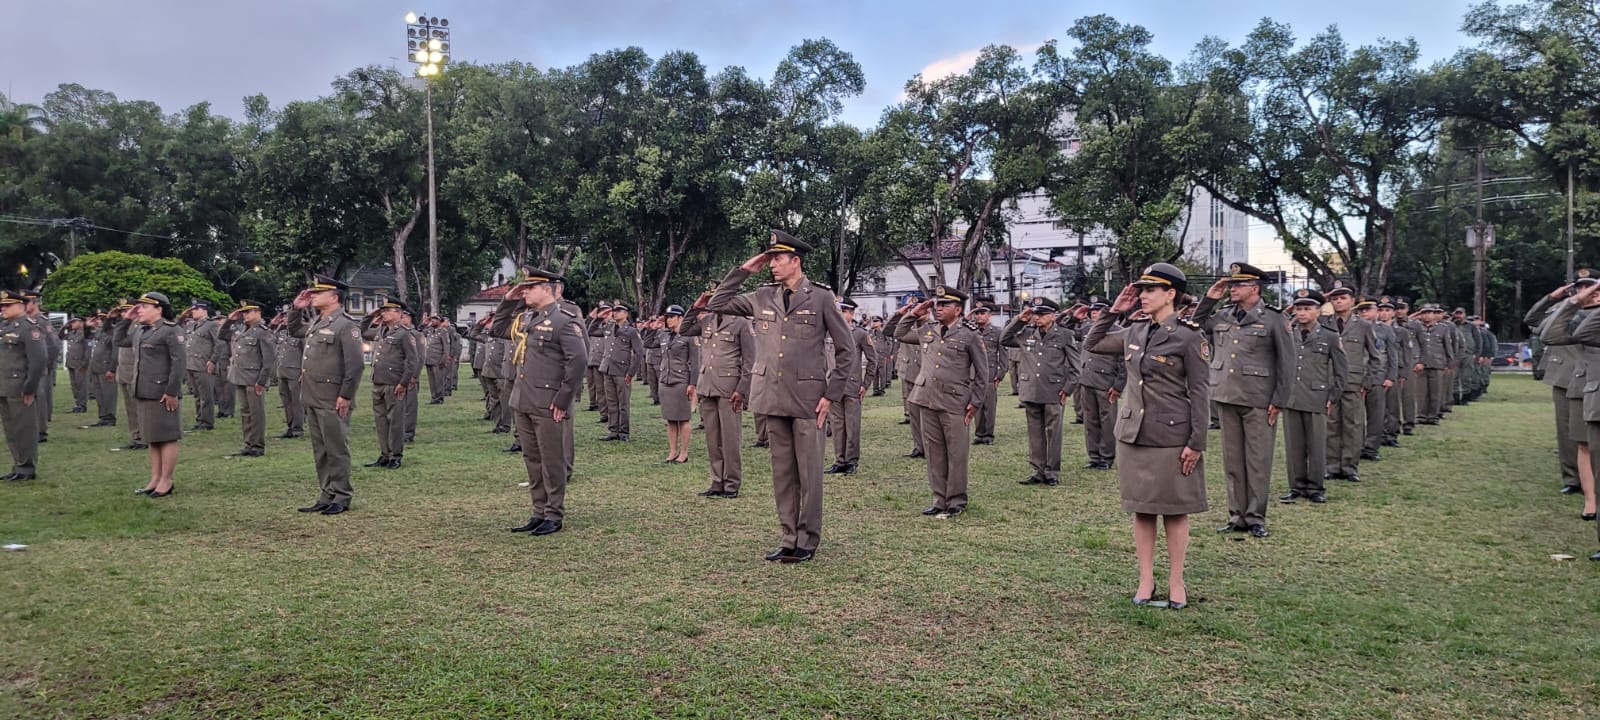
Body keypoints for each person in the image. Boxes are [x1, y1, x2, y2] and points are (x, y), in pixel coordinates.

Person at [707, 230, 854, 563]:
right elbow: (715, 303)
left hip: (808, 399)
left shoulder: (819, 298)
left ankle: (807, 540)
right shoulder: (761, 296)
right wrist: (745, 270)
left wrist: (831, 395)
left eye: (777, 258)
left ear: (795, 261)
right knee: (783, 473)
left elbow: (847, 351)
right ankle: (788, 537)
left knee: (810, 474)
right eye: (770, 258)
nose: (772, 264)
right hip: (772, 397)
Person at [1083, 264, 1210, 610]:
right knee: (1141, 510)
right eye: (1141, 289)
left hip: (1171, 434)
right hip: (1133, 433)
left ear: (1171, 294)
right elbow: (1092, 343)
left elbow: (1200, 393)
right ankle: (1145, 578)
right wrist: (1114, 311)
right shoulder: (1134, 330)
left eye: (1151, 289)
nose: (1142, 294)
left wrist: (1197, 442)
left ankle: (1176, 580)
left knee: (1174, 511)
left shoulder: (1188, 336)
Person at [1193, 263, 1294, 539]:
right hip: (1226, 394)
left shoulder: (1274, 319)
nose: (1232, 288)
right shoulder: (1223, 314)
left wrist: (1280, 399)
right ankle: (1236, 515)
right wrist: (1210, 297)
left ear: (1255, 288)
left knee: (1258, 460)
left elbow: (1287, 362)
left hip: (1259, 398)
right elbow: (1195, 323)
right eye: (1232, 284)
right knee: (1233, 460)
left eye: (1238, 285)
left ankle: (1256, 516)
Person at [491, 268, 587, 537]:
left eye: (530, 287)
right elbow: (498, 329)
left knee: (552, 459)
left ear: (548, 289)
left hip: (549, 403)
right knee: (532, 458)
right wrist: (508, 300)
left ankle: (554, 514)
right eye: (524, 288)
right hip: (523, 400)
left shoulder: (564, 321)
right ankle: (539, 511)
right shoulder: (526, 319)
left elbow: (578, 361)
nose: (525, 291)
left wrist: (563, 399)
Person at [895, 286, 986, 517]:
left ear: (957, 309)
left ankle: (956, 500)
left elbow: (982, 373)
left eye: (945, 305)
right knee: (934, 452)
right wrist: (913, 314)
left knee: (956, 453)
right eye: (937, 304)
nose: (938, 308)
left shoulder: (970, 334)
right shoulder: (928, 330)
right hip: (927, 398)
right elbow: (897, 333)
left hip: (955, 401)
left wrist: (975, 402)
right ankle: (939, 498)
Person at [287, 276, 365, 516]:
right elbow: (294, 330)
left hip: (333, 397)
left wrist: (346, 395)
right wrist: (295, 309)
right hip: (313, 395)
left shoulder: (346, 325)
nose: (312, 296)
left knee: (336, 448)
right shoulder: (317, 321)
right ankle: (326, 493)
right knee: (320, 449)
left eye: (318, 293)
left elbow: (355, 365)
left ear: (334, 297)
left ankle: (342, 495)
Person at [682, 286, 755, 498]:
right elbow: (684, 329)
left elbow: (750, 361)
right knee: (712, 439)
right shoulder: (707, 321)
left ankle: (732, 484)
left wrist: (742, 389)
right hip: (708, 386)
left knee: (730, 439)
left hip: (729, 388)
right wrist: (697, 306)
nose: (715, 301)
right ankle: (717, 482)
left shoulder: (741, 323)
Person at [1538, 285, 1600, 522]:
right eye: (1586, 289)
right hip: (1587, 387)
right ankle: (1590, 501)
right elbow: (1549, 334)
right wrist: (1573, 302)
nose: (1592, 292)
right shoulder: (1582, 319)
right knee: (1585, 446)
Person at [1278, 289, 1347, 504]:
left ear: (1318, 311)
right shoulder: (1288, 333)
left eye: (1307, 309)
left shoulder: (1330, 336)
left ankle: (1316, 486)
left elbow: (1341, 370)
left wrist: (1333, 396)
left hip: (1317, 395)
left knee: (1316, 445)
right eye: (1298, 309)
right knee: (1294, 445)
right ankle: (1296, 486)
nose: (1302, 313)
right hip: (1292, 396)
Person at [1000, 297, 1078, 485]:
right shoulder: (1026, 333)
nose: (1037, 317)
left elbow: (1076, 367)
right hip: (1031, 390)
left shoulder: (1065, 335)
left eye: (1042, 314)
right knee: (1035, 432)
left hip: (1054, 390)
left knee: (1053, 433)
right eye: (1035, 313)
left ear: (1053, 316)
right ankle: (1038, 470)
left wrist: (1067, 390)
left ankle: (1052, 472)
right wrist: (1020, 319)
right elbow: (1004, 339)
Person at [1526, 276, 1593, 495]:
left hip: (1593, 376)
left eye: (1589, 286)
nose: (1584, 290)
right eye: (1580, 287)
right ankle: (1573, 478)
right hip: (1566, 375)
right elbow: (1533, 321)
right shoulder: (1563, 310)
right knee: (1568, 432)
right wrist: (1551, 299)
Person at [1321, 282, 1383, 483]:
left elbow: (1375, 356)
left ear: (1352, 301)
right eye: (1335, 299)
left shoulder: (1363, 325)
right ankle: (1331, 466)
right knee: (1331, 424)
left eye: (1343, 298)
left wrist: (1369, 381)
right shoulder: (1324, 322)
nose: (1338, 302)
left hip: (1353, 381)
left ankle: (1349, 466)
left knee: (1353, 425)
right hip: (1329, 380)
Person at [127, 292, 185, 497]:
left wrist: (172, 391)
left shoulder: (170, 330)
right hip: (144, 390)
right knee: (152, 437)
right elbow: (119, 339)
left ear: (158, 308)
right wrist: (127, 318)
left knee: (167, 437)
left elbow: (179, 363)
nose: (139, 310)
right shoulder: (141, 330)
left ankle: (166, 480)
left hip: (162, 392)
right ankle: (155, 477)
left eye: (143, 306)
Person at [359, 300, 421, 469]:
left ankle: (396, 455)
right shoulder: (381, 330)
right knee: (381, 420)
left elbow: (412, 361)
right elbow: (362, 331)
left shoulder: (404, 334)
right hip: (378, 381)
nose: (384, 313)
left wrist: (403, 383)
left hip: (394, 383)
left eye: (387, 311)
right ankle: (384, 454)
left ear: (398, 313)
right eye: (383, 311)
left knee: (395, 420)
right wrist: (370, 316)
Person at [219, 300, 277, 458]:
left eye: (248, 312)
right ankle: (248, 443)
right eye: (243, 312)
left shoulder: (263, 332)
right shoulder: (241, 330)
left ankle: (257, 446)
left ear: (258, 313)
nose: (245, 315)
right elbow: (222, 335)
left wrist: (262, 381)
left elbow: (268, 360)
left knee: (256, 413)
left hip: (254, 379)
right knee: (245, 412)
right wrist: (229, 320)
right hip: (240, 377)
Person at [824, 298, 876, 474]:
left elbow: (872, 360)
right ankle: (839, 460)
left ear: (851, 313)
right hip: (833, 385)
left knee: (852, 425)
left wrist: (865, 384)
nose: (838, 314)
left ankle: (852, 461)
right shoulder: (829, 332)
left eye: (843, 310)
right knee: (837, 424)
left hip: (852, 384)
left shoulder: (859, 334)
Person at [1073, 299, 1125, 470]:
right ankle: (1094, 456)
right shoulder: (1088, 329)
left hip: (1106, 382)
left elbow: (1124, 362)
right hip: (1087, 380)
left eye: (1099, 311)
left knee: (1107, 421)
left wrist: (1118, 386)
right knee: (1090, 420)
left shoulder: (1119, 331)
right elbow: (1065, 330)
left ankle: (1106, 457)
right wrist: (1073, 318)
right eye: (1093, 312)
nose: (1095, 314)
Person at [0, 290, 45, 481]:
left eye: (7, 305)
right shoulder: (5, 326)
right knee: (11, 429)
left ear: (21, 305)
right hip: (5, 386)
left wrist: (30, 388)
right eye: (2, 306)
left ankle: (27, 467)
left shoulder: (29, 328)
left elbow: (38, 360)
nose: (3, 309)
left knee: (24, 429)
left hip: (21, 387)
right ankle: (18, 465)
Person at [650, 305, 699, 464]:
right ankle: (672, 451)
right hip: (665, 379)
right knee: (670, 419)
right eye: (667, 317)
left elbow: (695, 362)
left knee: (683, 418)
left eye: (672, 317)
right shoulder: (664, 335)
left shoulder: (689, 336)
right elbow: (647, 343)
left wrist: (692, 384)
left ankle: (683, 453)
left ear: (680, 318)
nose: (669, 320)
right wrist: (653, 328)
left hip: (681, 380)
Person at [1358, 298, 1399, 462]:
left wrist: (1390, 377)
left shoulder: (1384, 330)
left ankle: (1371, 448)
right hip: (1357, 378)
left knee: (1376, 415)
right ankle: (1356, 446)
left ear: (1376, 312)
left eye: (1368, 309)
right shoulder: (1351, 327)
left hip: (1377, 377)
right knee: (1355, 417)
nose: (1364, 313)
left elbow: (1392, 355)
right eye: (1361, 310)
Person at [887, 296, 927, 458]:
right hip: (909, 372)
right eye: (913, 308)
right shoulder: (906, 325)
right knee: (914, 414)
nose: (917, 311)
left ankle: (931, 446)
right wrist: (899, 314)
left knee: (928, 415)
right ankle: (919, 446)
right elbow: (888, 331)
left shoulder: (934, 326)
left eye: (920, 308)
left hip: (926, 374)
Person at [596, 303, 642, 441]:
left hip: (622, 371)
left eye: (619, 311)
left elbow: (639, 353)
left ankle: (624, 432)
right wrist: (599, 318)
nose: (615, 313)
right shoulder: (609, 327)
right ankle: (613, 430)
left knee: (623, 403)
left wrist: (631, 373)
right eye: (614, 311)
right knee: (611, 402)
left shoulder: (631, 331)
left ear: (626, 313)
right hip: (608, 369)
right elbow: (591, 330)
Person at [20, 291, 57, 443]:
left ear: (35, 303)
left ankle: (41, 432)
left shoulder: (41, 321)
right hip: (28, 367)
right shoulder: (26, 321)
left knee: (39, 399)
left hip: (40, 367)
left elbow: (53, 345)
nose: (24, 306)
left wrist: (46, 366)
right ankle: (32, 430)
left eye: (27, 302)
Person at [183, 300, 224, 431]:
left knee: (206, 395)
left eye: (196, 309)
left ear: (204, 310)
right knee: (197, 394)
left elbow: (219, 344)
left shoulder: (211, 325)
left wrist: (213, 360)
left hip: (204, 365)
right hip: (192, 364)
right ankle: (200, 419)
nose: (193, 311)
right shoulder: (194, 325)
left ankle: (207, 422)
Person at [968, 300, 1006, 446]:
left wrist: (1001, 373)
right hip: (974, 373)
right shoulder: (971, 331)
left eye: (982, 313)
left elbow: (1002, 354)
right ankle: (979, 433)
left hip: (990, 373)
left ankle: (988, 434)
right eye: (977, 313)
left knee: (989, 406)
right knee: (976, 404)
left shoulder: (997, 332)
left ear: (989, 315)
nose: (979, 316)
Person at [113, 301, 146, 450]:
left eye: (127, 311)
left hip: (135, 372)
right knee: (130, 409)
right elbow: (117, 341)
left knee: (139, 408)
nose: (124, 314)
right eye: (122, 312)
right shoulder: (127, 326)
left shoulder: (140, 327)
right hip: (124, 372)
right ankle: (136, 436)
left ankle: (143, 436)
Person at [271, 312, 305, 439]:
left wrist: (304, 371)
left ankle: (298, 428)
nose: (285, 319)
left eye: (287, 317)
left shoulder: (301, 334)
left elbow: (306, 353)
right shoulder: (282, 332)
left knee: (296, 401)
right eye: (284, 317)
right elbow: (269, 338)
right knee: (286, 401)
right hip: (282, 371)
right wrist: (274, 324)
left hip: (295, 371)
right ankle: (290, 426)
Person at [87, 312, 120, 428]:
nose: (98, 321)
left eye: (101, 319)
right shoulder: (100, 332)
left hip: (106, 368)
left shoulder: (112, 332)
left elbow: (116, 353)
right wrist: (89, 325)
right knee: (99, 394)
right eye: (98, 318)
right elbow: (88, 336)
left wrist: (112, 369)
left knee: (108, 394)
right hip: (96, 367)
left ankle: (110, 417)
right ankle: (103, 416)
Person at [63, 317, 90, 413]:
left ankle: (82, 405)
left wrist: (84, 364)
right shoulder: (71, 333)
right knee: (74, 385)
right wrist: (64, 327)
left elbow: (88, 350)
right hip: (71, 362)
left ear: (80, 323)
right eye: (71, 322)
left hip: (80, 363)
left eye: (74, 322)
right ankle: (77, 403)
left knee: (81, 385)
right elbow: (60, 336)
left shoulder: (85, 334)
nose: (72, 324)